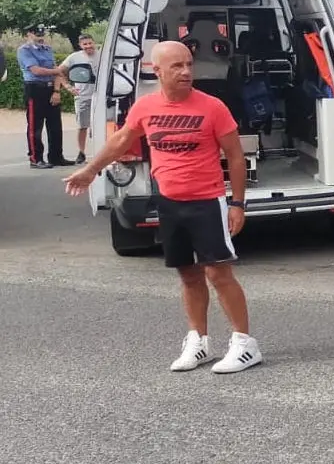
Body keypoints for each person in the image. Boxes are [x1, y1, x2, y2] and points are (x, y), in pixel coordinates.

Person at [63, 40, 263, 373]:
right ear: (156, 71)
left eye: (189, 64)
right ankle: (198, 341)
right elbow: (122, 140)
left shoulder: (213, 107)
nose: (186, 72)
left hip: (207, 201)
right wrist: (90, 169)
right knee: (187, 274)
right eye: (177, 66)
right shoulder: (145, 107)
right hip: (170, 202)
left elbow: (236, 156)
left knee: (218, 272)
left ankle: (245, 344)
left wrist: (237, 203)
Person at [18, 24, 70, 169]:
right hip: (35, 89)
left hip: (50, 89)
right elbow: (36, 71)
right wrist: (56, 71)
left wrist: (56, 91)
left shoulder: (47, 49)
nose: (40, 38)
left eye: (42, 35)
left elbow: (55, 71)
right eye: (36, 34)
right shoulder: (24, 51)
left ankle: (56, 157)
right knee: (35, 126)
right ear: (29, 34)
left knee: (55, 126)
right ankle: (36, 159)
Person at [62, 34, 99, 164]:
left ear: (94, 42)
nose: (89, 46)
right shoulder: (74, 57)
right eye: (85, 44)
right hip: (82, 95)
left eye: (90, 43)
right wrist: (68, 86)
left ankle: (102, 152)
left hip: (100, 95)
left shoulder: (102, 55)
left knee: (102, 124)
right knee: (82, 125)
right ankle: (81, 153)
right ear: (80, 45)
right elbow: (60, 71)